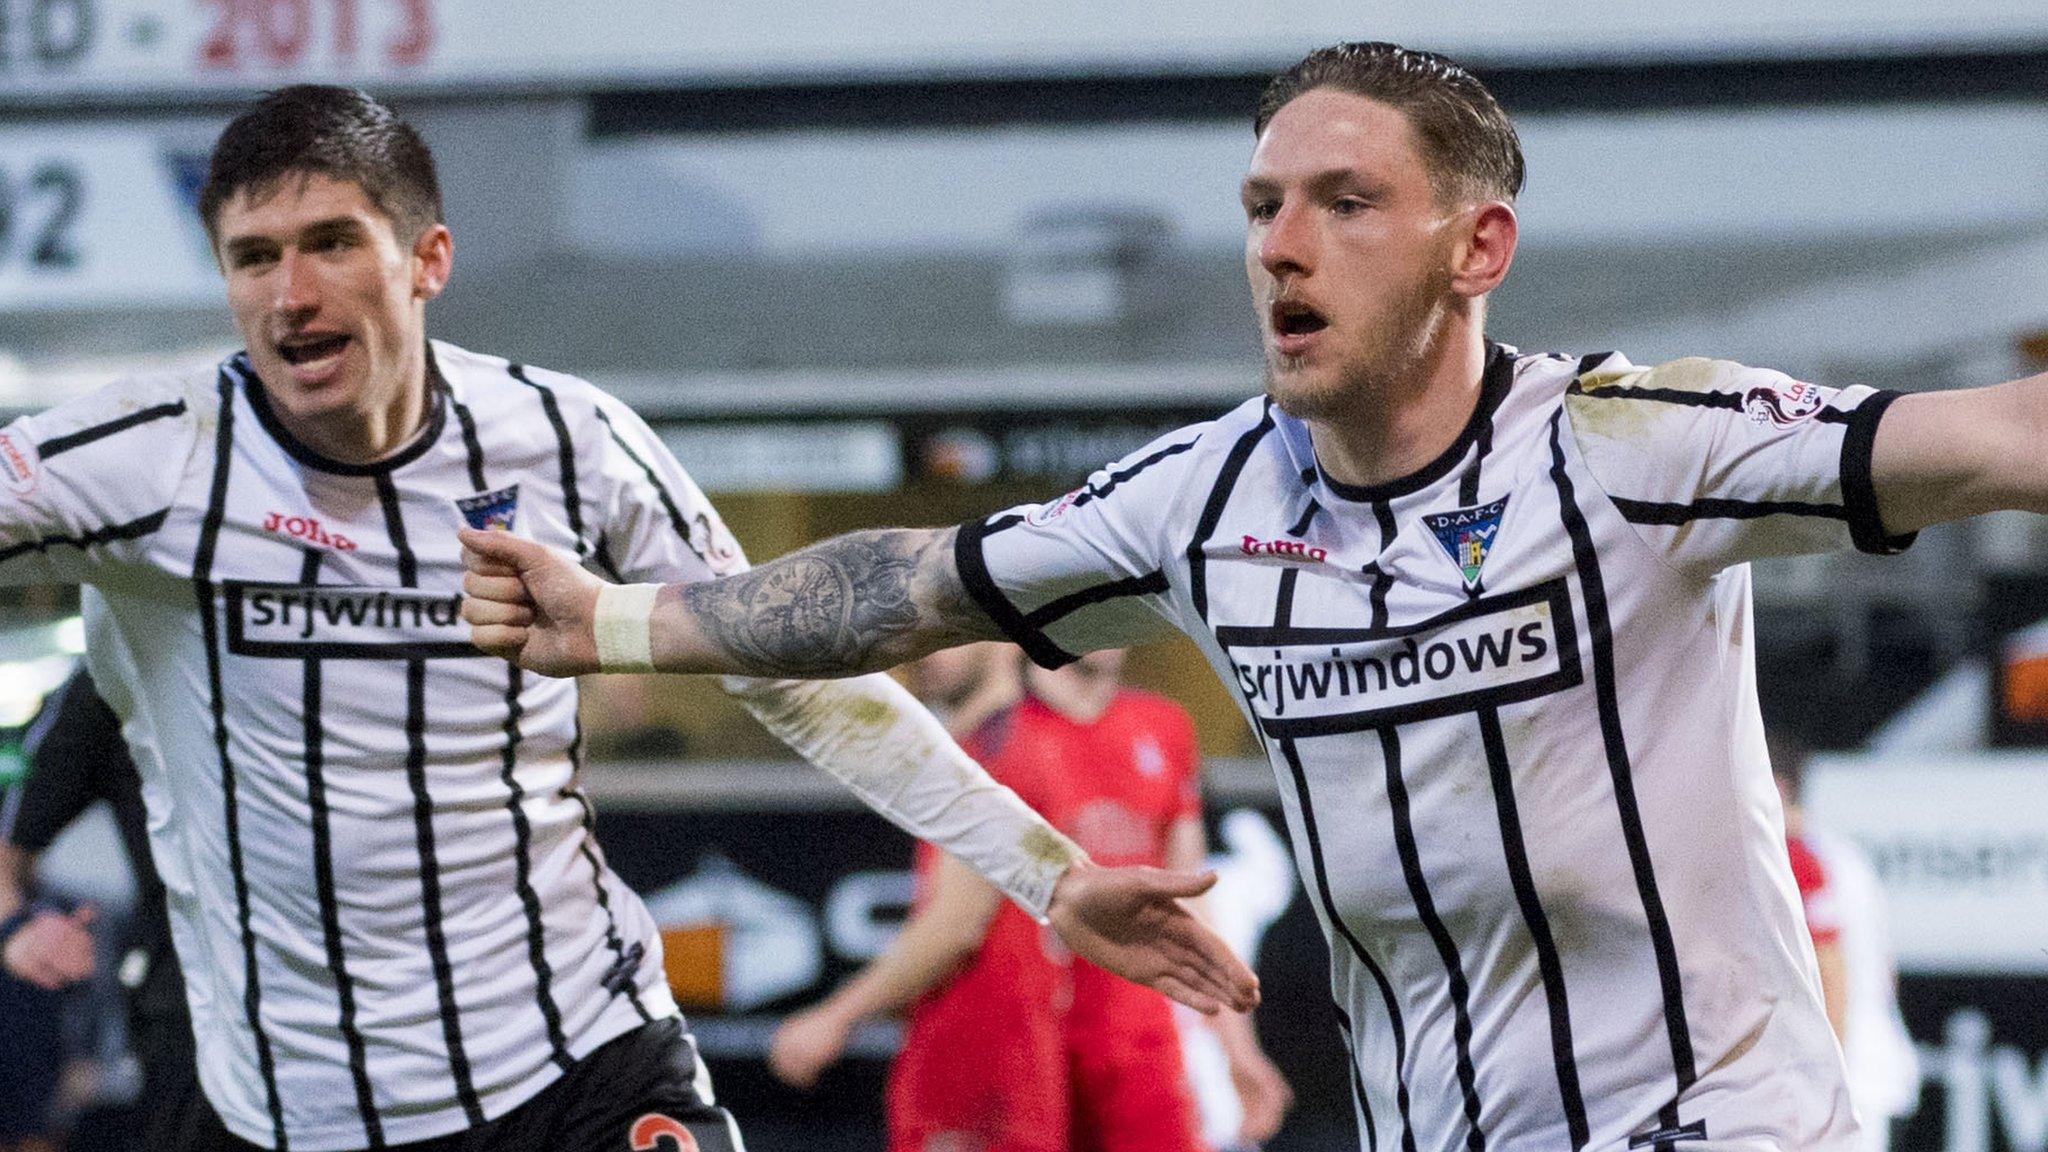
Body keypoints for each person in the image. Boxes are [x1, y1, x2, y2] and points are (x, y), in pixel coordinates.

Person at [460, 39, 2048, 1152]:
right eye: (1262, 209)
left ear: (1475, 245)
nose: (1283, 249)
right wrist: (608, 622)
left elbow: (2002, 434)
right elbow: (906, 591)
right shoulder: (1203, 498)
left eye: (1345, 205)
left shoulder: (1631, 444)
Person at [0, 86, 1255, 1152]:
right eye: (253, 257)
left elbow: (793, 675)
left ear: (428, 258)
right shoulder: (147, 458)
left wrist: (1048, 878)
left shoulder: (568, 437)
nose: (291, 293)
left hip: (579, 1059)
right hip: (295, 1107)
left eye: (332, 242)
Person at [769, 649, 1291, 1152]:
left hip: (1129, 1038)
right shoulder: (993, 742)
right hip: (1021, 1043)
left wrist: (1237, 1049)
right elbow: (956, 923)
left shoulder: (1159, 726)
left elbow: (1191, 900)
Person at [0, 666, 211, 1150]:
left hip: (387, 994)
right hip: (193, 1009)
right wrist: (16, 930)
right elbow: (7, 850)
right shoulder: (112, 670)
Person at [1770, 738, 1921, 1152]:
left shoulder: (1799, 859)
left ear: (1777, 789)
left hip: (1838, 1076)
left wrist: (1827, 1078)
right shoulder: (1848, 856)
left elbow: (1830, 969)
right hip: (1866, 1066)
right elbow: (1885, 970)